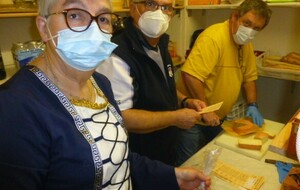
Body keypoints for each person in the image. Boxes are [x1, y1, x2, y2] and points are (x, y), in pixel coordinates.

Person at [0, 0, 212, 190]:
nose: (93, 30)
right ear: (44, 28)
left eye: (102, 18)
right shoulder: (14, 107)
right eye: (74, 14)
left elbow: (115, 156)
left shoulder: (100, 83)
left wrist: (171, 176)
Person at [96, 0, 206, 166]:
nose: (159, 13)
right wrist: (175, 118)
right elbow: (122, 116)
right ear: (133, 9)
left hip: (164, 148)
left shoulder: (160, 44)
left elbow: (162, 86)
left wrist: (185, 101)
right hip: (138, 157)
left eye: (166, 7)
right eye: (151, 4)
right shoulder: (118, 56)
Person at [177, 0, 272, 149]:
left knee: (211, 157)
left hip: (218, 117)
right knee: (189, 164)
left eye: (256, 28)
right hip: (192, 118)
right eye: (247, 24)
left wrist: (253, 104)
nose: (250, 31)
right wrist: (206, 110)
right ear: (234, 17)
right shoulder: (213, 38)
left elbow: (249, 79)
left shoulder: (246, 45)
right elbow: (191, 76)